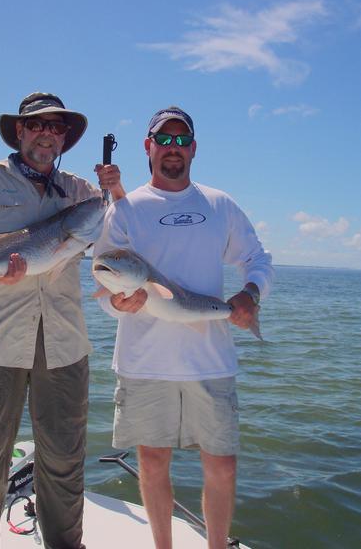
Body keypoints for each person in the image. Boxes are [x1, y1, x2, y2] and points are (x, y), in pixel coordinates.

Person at [0, 92, 124, 549]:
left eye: (56, 127)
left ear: (65, 138)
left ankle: (65, 544)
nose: (46, 133)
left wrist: (115, 192)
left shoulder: (82, 192)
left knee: (64, 455)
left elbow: (116, 240)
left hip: (63, 341)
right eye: (37, 125)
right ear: (19, 131)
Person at [94, 106, 274, 549]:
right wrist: (120, 303)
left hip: (209, 359)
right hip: (144, 362)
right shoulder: (125, 210)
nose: (172, 149)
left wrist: (250, 295)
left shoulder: (218, 204)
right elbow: (102, 285)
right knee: (152, 464)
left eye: (181, 141)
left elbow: (258, 259)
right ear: (148, 146)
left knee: (223, 467)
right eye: (164, 140)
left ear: (193, 148)